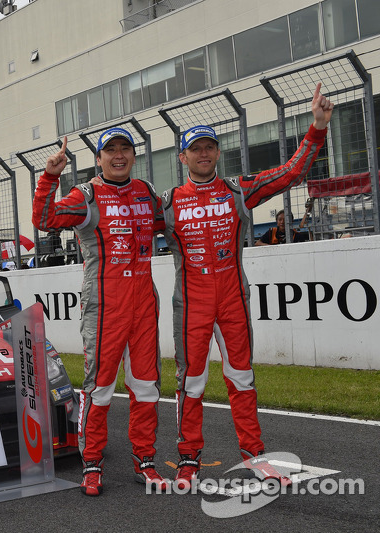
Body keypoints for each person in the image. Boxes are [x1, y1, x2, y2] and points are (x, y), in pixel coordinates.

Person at [161, 83, 333, 488]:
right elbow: (125, 226)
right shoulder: (166, 202)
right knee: (192, 383)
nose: (203, 154)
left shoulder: (239, 189)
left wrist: (318, 127)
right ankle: (188, 460)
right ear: (182, 156)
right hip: (191, 304)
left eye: (209, 147)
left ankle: (255, 457)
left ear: (218, 152)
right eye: (195, 148)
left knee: (242, 379)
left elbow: (291, 173)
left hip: (233, 298)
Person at [32, 128, 167, 496]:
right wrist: (50, 177)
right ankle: (91, 463)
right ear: (98, 157)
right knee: (100, 387)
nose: (118, 155)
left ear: (133, 156)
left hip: (143, 299)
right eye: (111, 150)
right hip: (105, 302)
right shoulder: (86, 195)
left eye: (125, 149)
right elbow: (44, 219)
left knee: (146, 386)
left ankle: (145, 461)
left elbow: (174, 224)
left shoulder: (147, 192)